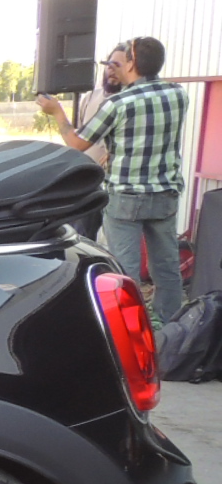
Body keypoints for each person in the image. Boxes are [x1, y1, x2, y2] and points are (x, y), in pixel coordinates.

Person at [37, 36, 188, 324]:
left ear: (132, 63)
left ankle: (131, 328)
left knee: (124, 272)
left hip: (126, 198)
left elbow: (77, 143)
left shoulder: (117, 104)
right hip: (165, 193)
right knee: (166, 267)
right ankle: (171, 326)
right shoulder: (178, 94)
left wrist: (57, 113)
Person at [72, 47, 125, 239]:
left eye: (118, 65)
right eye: (109, 65)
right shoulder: (90, 98)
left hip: (116, 186)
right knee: (82, 236)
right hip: (88, 183)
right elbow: (79, 138)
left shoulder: (128, 102)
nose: (112, 70)